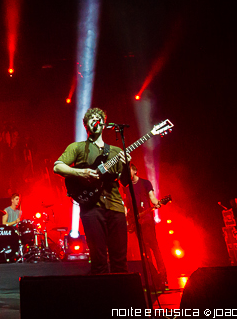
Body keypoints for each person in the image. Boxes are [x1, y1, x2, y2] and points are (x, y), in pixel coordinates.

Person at [53, 107, 129, 274]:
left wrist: (126, 165)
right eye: (91, 118)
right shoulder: (78, 147)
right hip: (91, 208)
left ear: (103, 124)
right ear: (86, 125)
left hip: (115, 207)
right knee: (99, 260)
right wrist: (81, 172)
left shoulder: (116, 151)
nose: (95, 120)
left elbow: (126, 182)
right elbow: (57, 166)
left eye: (98, 118)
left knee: (120, 260)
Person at [123, 164, 168, 288]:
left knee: (154, 247)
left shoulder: (145, 183)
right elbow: (127, 205)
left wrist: (157, 203)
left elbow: (152, 198)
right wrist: (127, 219)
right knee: (144, 251)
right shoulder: (126, 187)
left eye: (129, 171)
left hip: (147, 220)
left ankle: (163, 276)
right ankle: (152, 276)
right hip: (136, 222)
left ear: (135, 171)